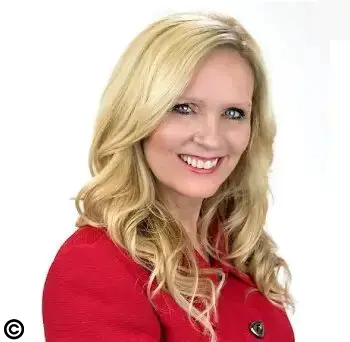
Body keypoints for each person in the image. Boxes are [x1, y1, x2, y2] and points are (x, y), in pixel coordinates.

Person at [42, 10, 295, 342]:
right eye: (184, 108)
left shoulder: (238, 252)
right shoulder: (94, 265)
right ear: (137, 116)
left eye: (233, 113)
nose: (212, 138)